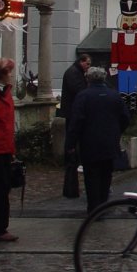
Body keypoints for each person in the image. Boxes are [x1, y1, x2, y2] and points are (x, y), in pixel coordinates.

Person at [65, 67, 131, 213]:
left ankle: (94, 207)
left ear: (88, 79)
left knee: (91, 176)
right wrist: (116, 131)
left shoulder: (83, 96)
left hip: (89, 143)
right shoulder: (114, 96)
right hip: (110, 142)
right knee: (106, 175)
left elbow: (76, 121)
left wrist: (70, 143)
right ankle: (103, 204)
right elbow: (126, 118)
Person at [60, 52, 91, 198]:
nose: (88, 67)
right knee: (72, 149)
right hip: (73, 114)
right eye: (87, 64)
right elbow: (80, 91)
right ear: (81, 62)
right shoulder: (73, 73)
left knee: (74, 149)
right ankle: (71, 186)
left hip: (73, 113)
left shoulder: (75, 72)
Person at [0, 57, 18, 242]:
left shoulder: (5, 92)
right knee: (0, 189)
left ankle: (1, 226)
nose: (11, 74)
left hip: (4, 148)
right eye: (8, 71)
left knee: (3, 188)